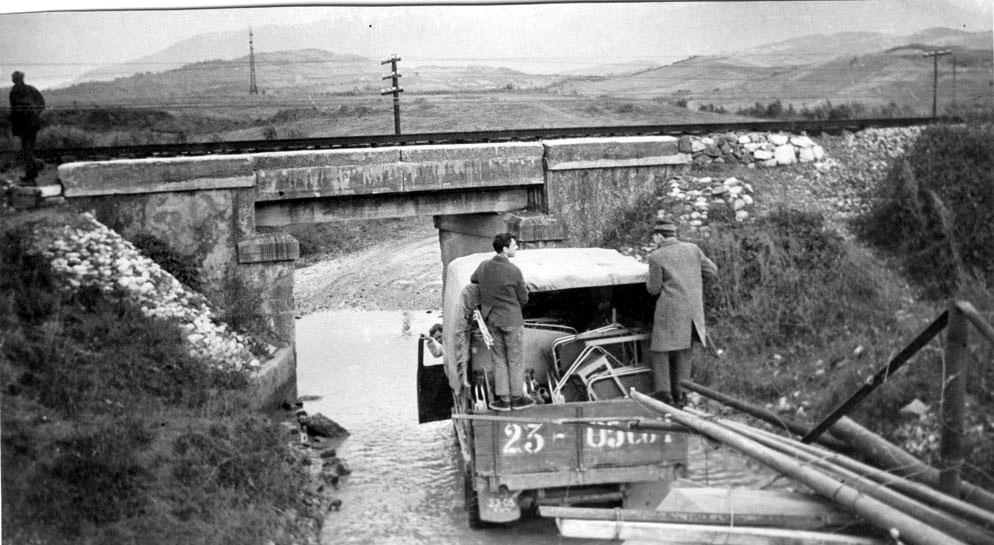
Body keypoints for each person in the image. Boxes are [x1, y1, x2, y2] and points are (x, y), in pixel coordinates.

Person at [646, 218, 718, 407]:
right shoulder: (693, 249)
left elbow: (653, 289)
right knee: (684, 351)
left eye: (654, 237)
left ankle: (664, 395)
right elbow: (712, 271)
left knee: (660, 352)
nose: (654, 241)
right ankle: (682, 395)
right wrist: (692, 285)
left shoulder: (656, 256)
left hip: (669, 311)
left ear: (660, 236)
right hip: (692, 311)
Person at [471, 233, 533, 411]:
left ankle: (504, 400)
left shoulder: (483, 266)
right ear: (505, 249)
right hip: (512, 319)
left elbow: (473, 280)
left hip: (492, 319)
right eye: (514, 245)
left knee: (499, 359)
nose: (517, 247)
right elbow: (524, 298)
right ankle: (517, 398)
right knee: (515, 359)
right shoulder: (514, 271)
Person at [8, 71, 45, 184]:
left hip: (26, 126)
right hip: (31, 125)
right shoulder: (30, 89)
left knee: (27, 151)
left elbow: (16, 109)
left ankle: (31, 175)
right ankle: (33, 171)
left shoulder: (15, 92)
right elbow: (41, 104)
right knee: (27, 150)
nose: (12, 79)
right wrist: (35, 115)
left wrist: (32, 115)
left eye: (14, 77)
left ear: (17, 79)